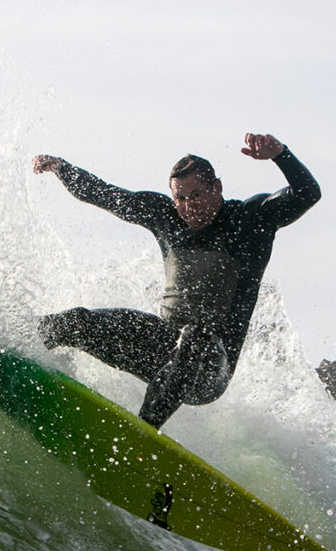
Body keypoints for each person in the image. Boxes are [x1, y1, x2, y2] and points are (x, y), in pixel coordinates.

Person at [32, 133, 321, 429]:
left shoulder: (251, 219)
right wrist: (60, 167)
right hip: (161, 349)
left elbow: (308, 193)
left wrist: (279, 154)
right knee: (76, 322)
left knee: (195, 337)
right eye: (180, 198)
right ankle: (18, 345)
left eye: (195, 195)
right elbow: (104, 194)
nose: (188, 206)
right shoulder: (166, 217)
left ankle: (143, 433)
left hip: (209, 369)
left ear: (217, 188)